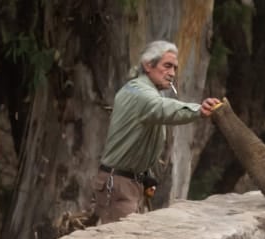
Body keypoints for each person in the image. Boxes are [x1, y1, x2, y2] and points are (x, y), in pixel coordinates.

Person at [91, 41, 221, 225]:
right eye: (167, 66)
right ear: (148, 65)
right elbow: (163, 108)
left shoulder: (143, 91)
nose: (172, 74)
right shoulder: (140, 94)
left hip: (129, 183)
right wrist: (199, 110)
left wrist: (146, 175)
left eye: (175, 68)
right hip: (119, 185)